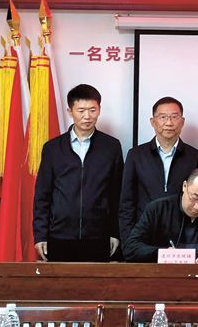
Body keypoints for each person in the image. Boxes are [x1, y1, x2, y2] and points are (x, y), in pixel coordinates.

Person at [33, 84, 124, 262]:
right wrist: (40, 235)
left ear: (99, 110)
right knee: (60, 280)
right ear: (70, 111)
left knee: (98, 281)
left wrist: (115, 232)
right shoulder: (52, 148)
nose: (87, 116)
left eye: (92, 110)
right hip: (59, 235)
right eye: (81, 110)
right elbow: (42, 195)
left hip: (98, 235)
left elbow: (117, 194)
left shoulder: (111, 147)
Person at [119, 96, 198, 248]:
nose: (169, 123)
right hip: (143, 235)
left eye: (174, 117)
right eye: (163, 117)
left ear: (182, 121)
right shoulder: (136, 155)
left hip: (182, 237)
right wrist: (128, 241)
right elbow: (127, 202)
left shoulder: (195, 157)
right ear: (153, 122)